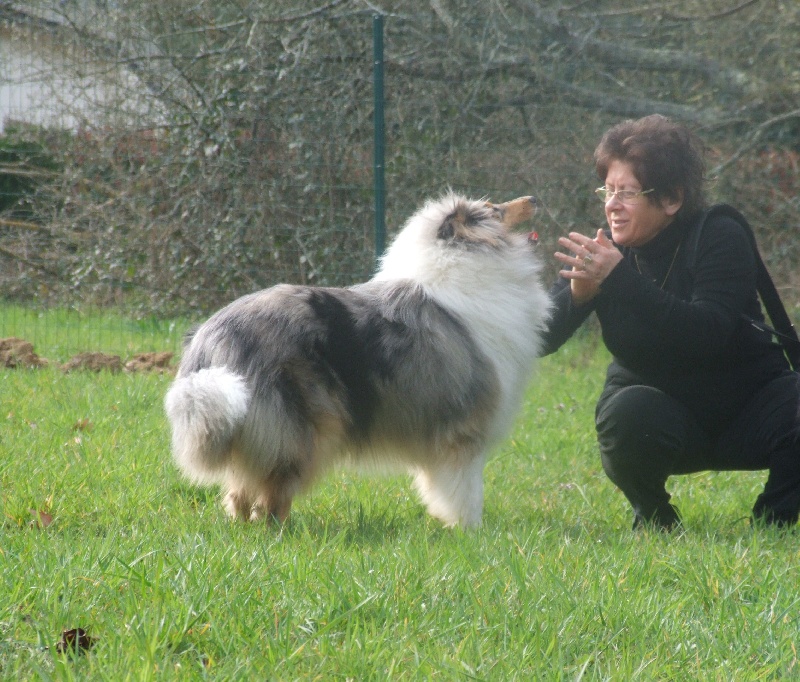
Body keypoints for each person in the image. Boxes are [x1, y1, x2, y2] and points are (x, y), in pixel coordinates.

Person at [541, 114, 800, 530]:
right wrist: (576, 296)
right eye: (607, 191)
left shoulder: (718, 234)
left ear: (672, 198)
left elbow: (706, 330)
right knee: (625, 415)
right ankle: (656, 519)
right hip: (660, 415)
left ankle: (775, 520)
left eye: (626, 193)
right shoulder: (606, 252)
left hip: (747, 403)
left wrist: (619, 280)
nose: (611, 205)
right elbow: (538, 340)